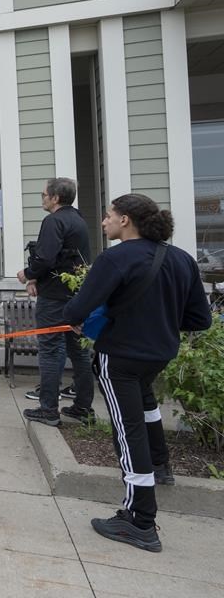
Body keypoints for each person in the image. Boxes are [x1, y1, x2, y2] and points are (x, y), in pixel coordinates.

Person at [62, 194, 211, 553]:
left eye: (108, 215)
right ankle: (160, 465)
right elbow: (200, 319)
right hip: (159, 353)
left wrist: (86, 320)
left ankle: (140, 520)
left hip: (121, 355)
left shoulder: (114, 258)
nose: (104, 222)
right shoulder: (182, 259)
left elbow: (77, 309)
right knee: (146, 407)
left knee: (128, 432)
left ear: (125, 220)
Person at [18, 177, 93, 426]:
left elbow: (45, 258)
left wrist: (28, 274)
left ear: (55, 197)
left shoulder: (54, 221)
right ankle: (83, 407)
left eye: (43, 195)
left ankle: (48, 408)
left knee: (50, 350)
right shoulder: (78, 220)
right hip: (76, 294)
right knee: (79, 351)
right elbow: (65, 258)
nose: (42, 199)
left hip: (54, 298)